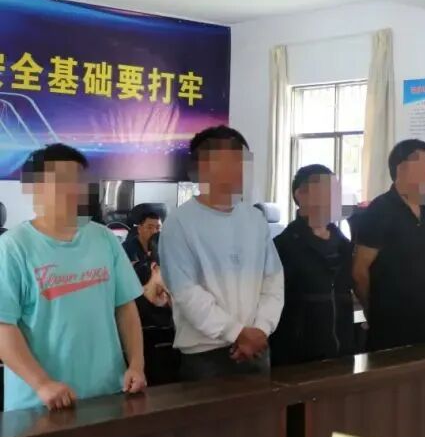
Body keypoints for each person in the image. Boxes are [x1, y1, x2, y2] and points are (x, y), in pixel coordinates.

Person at [0, 144, 146, 411]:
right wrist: (42, 384)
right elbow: (3, 327)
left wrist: (136, 364)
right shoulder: (12, 247)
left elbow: (125, 307)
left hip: (107, 393)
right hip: (38, 404)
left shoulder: (104, 239)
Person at [160, 126, 284, 380]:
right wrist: (236, 333)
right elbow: (186, 293)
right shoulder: (179, 223)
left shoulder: (255, 219)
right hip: (207, 355)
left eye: (241, 161)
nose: (238, 170)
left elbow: (273, 281)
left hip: (257, 346)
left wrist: (261, 329)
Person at [349, 139, 425, 352]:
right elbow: (359, 271)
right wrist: (372, 310)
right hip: (392, 325)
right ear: (401, 169)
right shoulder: (380, 210)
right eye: (424, 166)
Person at [270, 164, 356, 366]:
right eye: (326, 190)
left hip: (343, 351)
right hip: (298, 356)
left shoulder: (344, 245)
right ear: (300, 194)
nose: (333, 198)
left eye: (336, 191)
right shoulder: (283, 246)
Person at [123, 204, 179, 385]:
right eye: (149, 227)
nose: (154, 231)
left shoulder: (176, 301)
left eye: (157, 227)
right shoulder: (127, 253)